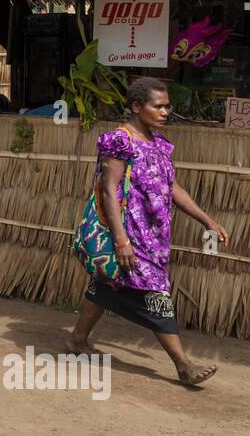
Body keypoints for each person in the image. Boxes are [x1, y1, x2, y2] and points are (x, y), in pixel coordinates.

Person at [67, 76, 227, 386]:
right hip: (130, 235)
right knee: (156, 292)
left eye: (167, 106)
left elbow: (172, 188)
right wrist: (121, 239)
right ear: (138, 106)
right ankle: (183, 364)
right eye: (159, 106)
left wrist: (206, 219)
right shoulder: (119, 140)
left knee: (107, 283)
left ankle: (77, 339)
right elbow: (108, 190)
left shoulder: (158, 145)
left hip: (155, 237)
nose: (166, 112)